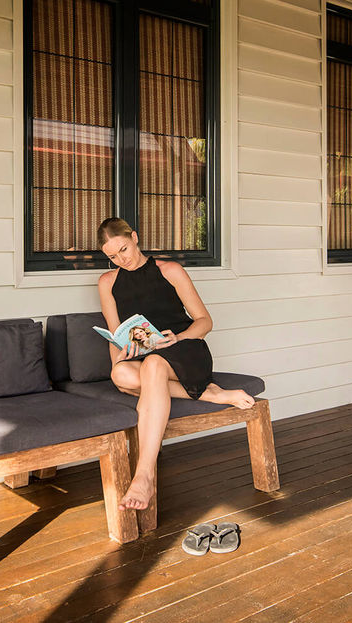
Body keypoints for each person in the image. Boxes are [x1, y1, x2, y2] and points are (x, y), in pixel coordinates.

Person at [97, 217, 255, 511]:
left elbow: (205, 322)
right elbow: (116, 333)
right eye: (113, 256)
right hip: (146, 353)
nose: (121, 259)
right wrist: (120, 356)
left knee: (153, 367)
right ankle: (211, 393)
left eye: (124, 249)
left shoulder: (170, 271)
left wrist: (178, 337)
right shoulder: (107, 282)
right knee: (121, 375)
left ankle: (144, 475)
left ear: (135, 237)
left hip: (184, 349)